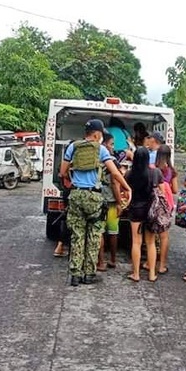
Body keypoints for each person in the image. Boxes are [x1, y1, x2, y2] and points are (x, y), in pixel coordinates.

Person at [59, 119, 132, 286]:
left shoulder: (73, 147)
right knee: (94, 235)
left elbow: (63, 172)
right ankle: (89, 274)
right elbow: (114, 173)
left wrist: (73, 181)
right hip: (94, 197)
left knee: (77, 235)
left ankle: (75, 274)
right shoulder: (102, 150)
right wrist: (127, 188)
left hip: (76, 195)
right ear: (97, 134)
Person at [126, 147, 165, 283]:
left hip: (135, 209)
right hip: (151, 211)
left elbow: (126, 193)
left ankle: (136, 274)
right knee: (151, 242)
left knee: (136, 242)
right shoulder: (155, 172)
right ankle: (152, 273)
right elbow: (162, 192)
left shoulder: (130, 174)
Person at [97, 133, 122, 270]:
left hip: (98, 200)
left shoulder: (95, 157)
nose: (113, 147)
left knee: (99, 231)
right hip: (111, 202)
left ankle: (100, 262)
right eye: (111, 144)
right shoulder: (112, 161)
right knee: (113, 232)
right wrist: (119, 202)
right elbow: (115, 183)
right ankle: (112, 259)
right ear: (105, 144)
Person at [152, 144, 177, 274]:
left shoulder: (153, 168)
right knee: (164, 236)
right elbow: (176, 190)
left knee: (151, 234)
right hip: (166, 204)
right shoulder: (172, 171)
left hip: (153, 203)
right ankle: (162, 265)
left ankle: (149, 262)